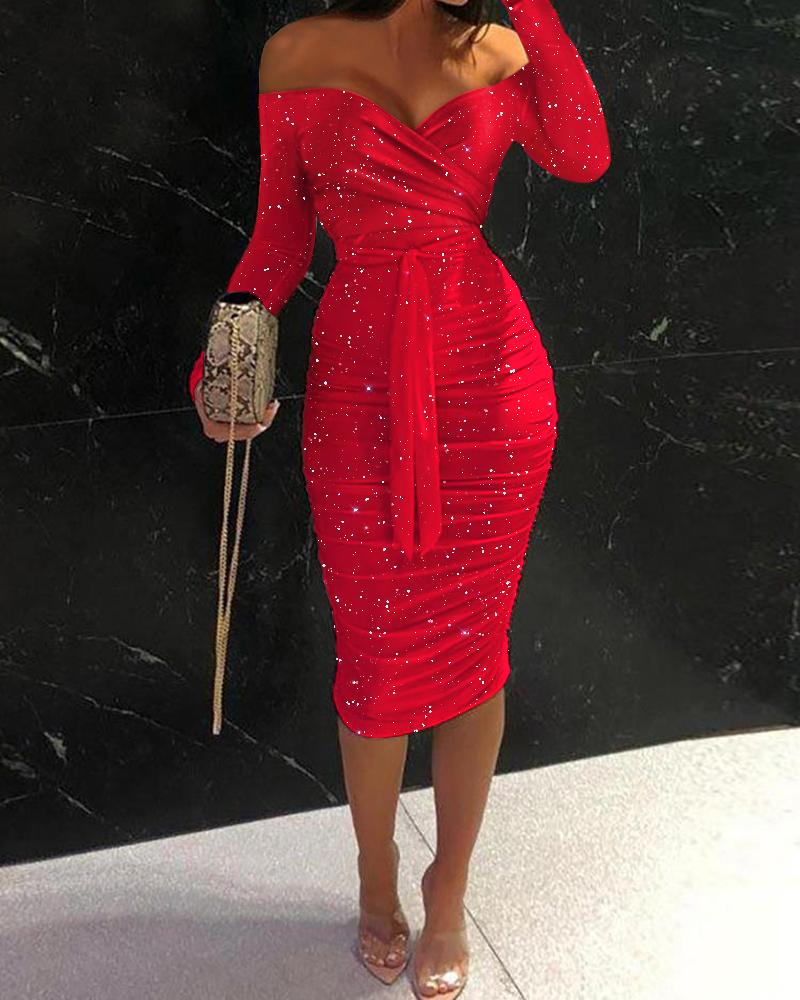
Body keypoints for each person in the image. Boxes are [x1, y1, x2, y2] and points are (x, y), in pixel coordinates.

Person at [188, 0, 610, 995]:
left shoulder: (500, 47)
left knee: (476, 655)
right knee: (376, 666)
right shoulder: (296, 52)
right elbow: (280, 236)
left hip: (491, 388)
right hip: (360, 386)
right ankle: (375, 876)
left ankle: (447, 885)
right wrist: (225, 361)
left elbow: (583, 154)